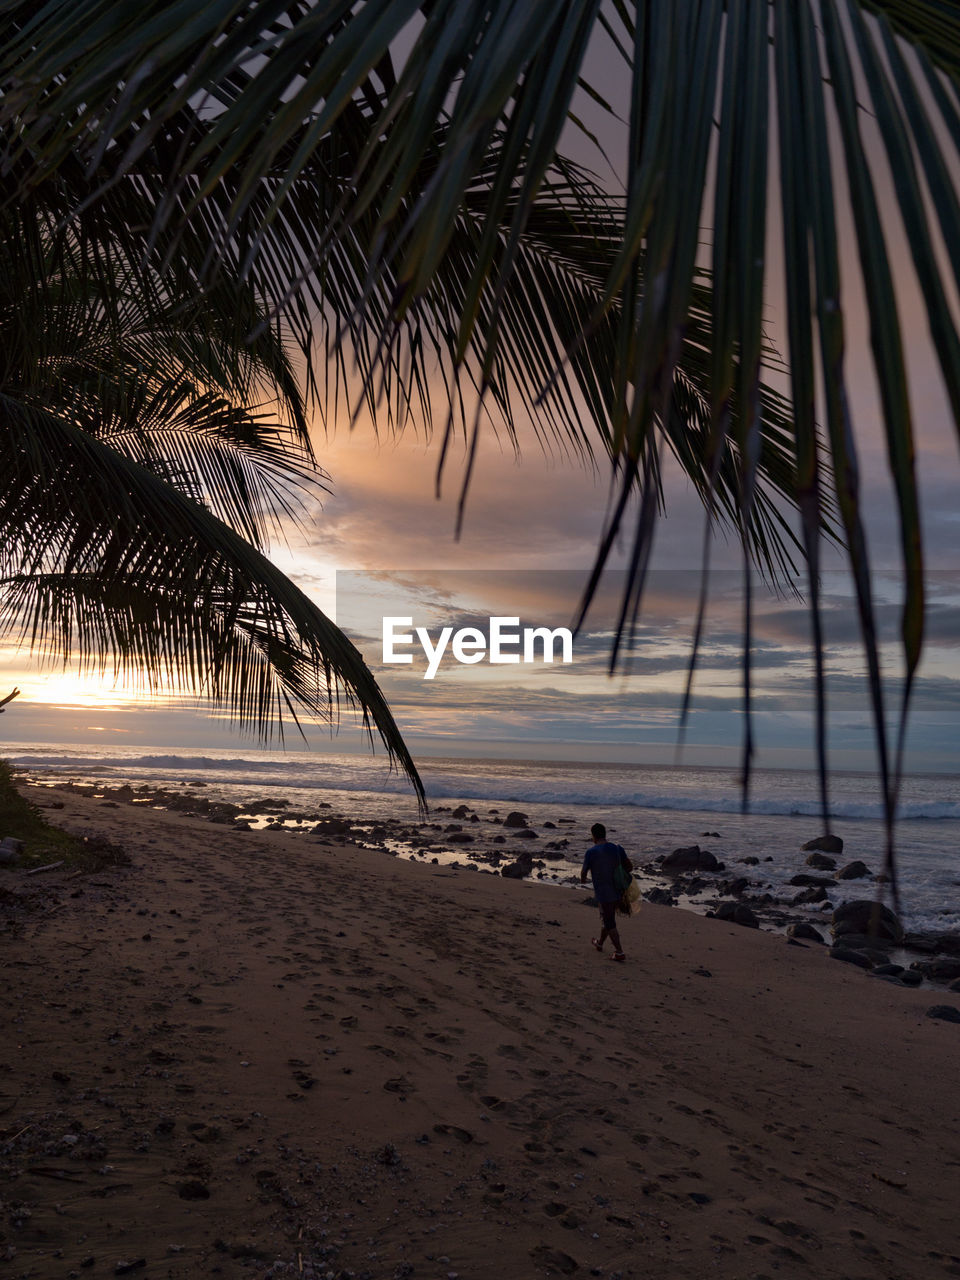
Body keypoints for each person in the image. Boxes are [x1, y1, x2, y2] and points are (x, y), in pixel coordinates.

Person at [580, 821, 632, 962]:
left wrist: (584, 880)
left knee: (609, 921)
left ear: (593, 836)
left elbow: (583, 874)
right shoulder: (617, 848)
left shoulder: (591, 852)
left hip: (604, 892)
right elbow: (630, 866)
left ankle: (619, 952)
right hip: (619, 890)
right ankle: (600, 943)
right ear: (605, 834)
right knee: (608, 918)